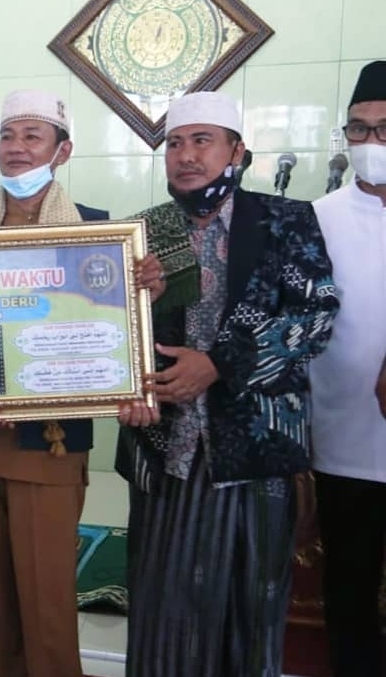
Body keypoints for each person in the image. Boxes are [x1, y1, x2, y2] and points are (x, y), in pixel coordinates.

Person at [0, 89, 156, 677]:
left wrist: (143, 293)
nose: (17, 148)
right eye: (8, 135)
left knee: (44, 596)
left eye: (32, 136)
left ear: (63, 151)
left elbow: (112, 335)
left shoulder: (99, 235)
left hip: (45, 441)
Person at [116, 90, 339, 676]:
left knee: (251, 608)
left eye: (202, 141)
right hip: (166, 448)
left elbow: (315, 316)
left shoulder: (284, 221)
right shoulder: (143, 231)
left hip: (254, 451)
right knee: (163, 614)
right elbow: (114, 331)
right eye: (175, 144)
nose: (186, 156)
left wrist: (219, 364)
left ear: (237, 151)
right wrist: (126, 383)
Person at [310, 59, 386, 677]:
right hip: (340, 436)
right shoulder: (318, 217)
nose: (370, 143)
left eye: (384, 130)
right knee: (350, 586)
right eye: (358, 129)